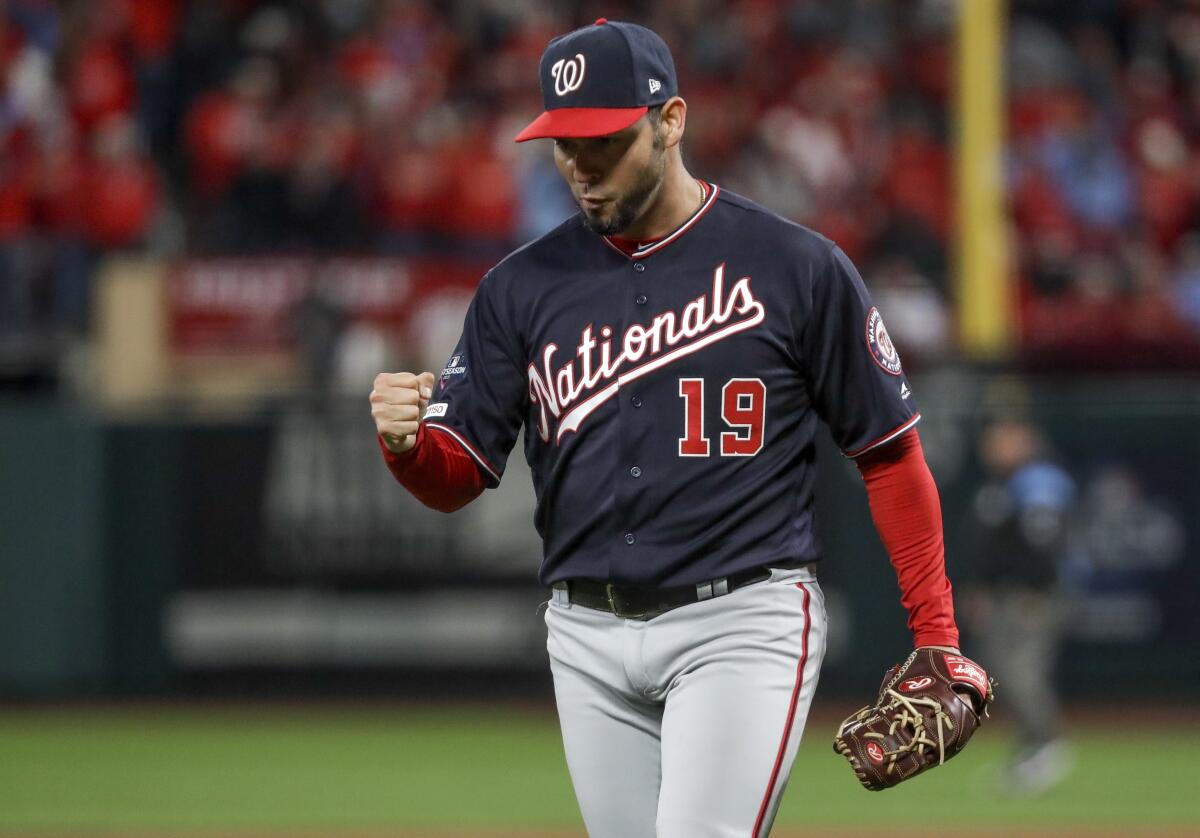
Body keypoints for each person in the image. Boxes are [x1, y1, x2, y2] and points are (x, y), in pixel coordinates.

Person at [371, 19, 970, 837]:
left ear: (671, 120)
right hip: (583, 632)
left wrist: (936, 633)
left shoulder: (796, 267)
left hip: (741, 621)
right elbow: (458, 476)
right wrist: (407, 449)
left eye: (604, 142)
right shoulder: (519, 288)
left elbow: (890, 455)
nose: (582, 167)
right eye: (564, 145)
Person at [962, 415, 1075, 796]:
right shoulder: (1000, 483)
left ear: (1024, 438)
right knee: (1000, 672)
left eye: (1002, 437)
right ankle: (1031, 749)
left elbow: (1045, 539)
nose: (993, 445)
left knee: (1022, 671)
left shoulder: (1039, 479)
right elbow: (990, 547)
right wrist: (981, 587)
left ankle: (1048, 744)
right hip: (1003, 595)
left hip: (1031, 595)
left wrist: (1036, 587)